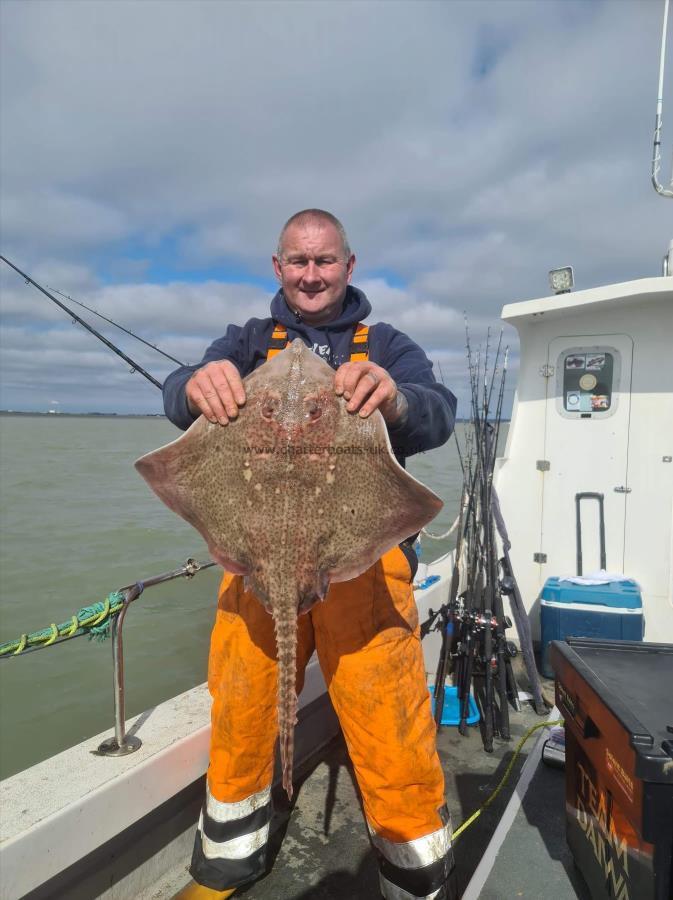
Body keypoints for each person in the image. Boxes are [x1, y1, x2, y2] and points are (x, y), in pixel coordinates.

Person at [164, 210, 458, 900]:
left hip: (362, 562)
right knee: (241, 705)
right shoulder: (245, 341)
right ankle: (229, 859)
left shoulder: (384, 342)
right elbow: (180, 397)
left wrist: (395, 400)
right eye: (297, 261)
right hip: (254, 557)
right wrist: (193, 385)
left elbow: (437, 409)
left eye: (324, 261)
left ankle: (413, 876)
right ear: (278, 267)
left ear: (348, 266)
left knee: (388, 723)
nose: (310, 274)